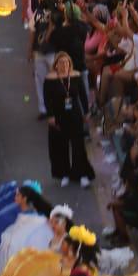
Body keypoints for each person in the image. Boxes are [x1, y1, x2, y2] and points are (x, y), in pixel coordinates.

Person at [43, 51, 94, 188]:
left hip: (75, 114)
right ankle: (64, 173)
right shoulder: (50, 79)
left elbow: (83, 95)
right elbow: (47, 99)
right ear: (56, 65)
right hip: (59, 115)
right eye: (61, 63)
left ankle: (81, 174)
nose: (64, 65)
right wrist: (50, 116)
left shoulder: (75, 76)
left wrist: (86, 112)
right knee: (60, 145)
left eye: (66, 62)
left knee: (78, 145)